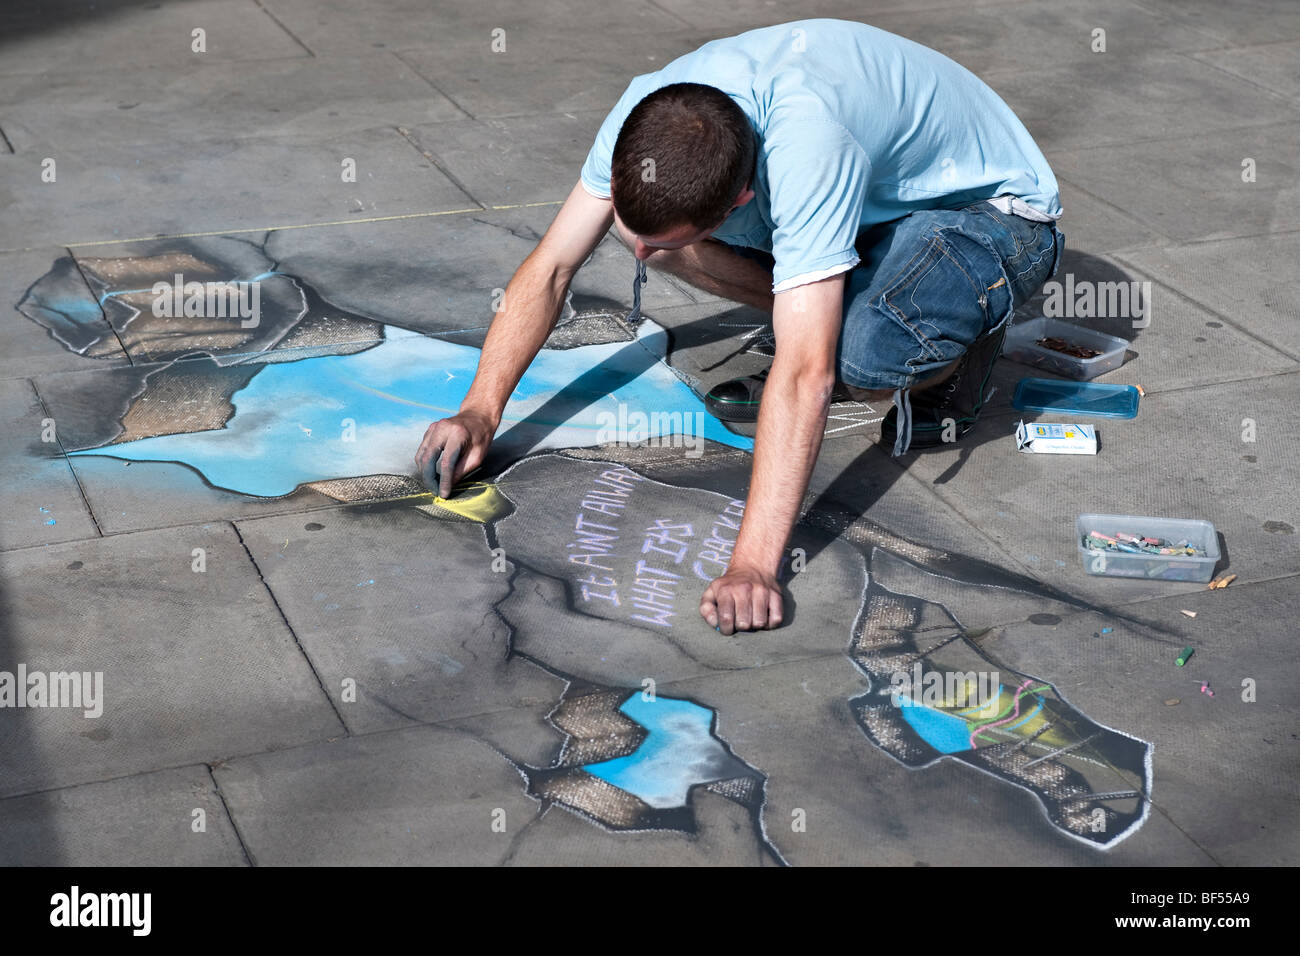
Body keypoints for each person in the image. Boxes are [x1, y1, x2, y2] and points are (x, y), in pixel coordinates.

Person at [415, 18, 1063, 636]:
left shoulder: (811, 149)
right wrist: (479, 410)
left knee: (859, 362)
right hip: (876, 202)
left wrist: (751, 565)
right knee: (666, 243)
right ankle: (835, 300)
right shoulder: (646, 113)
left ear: (738, 202)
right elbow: (553, 267)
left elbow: (806, 377)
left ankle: (955, 335)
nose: (636, 258)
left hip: (986, 213)